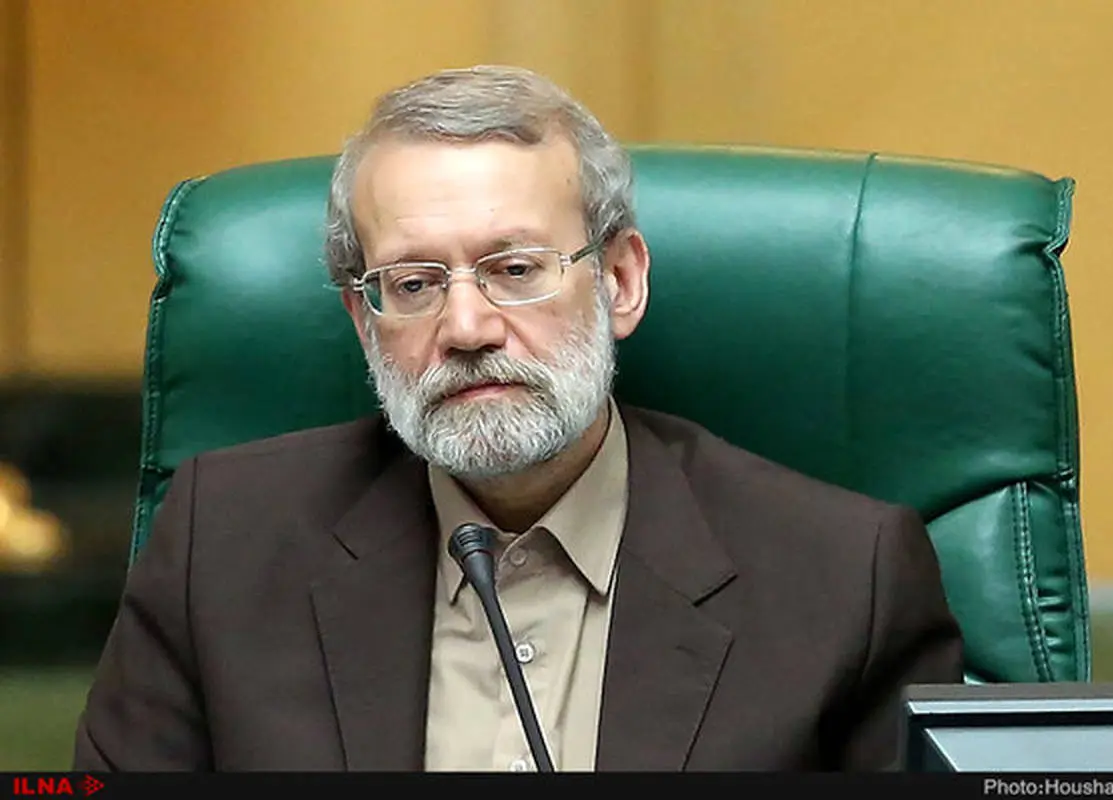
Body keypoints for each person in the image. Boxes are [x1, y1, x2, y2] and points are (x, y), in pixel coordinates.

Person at [73, 65, 962, 772]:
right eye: (414, 284)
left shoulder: (846, 580)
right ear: (363, 320)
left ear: (620, 281)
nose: (466, 329)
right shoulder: (221, 548)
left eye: (515, 269)